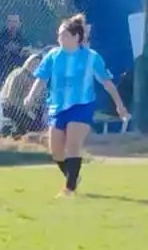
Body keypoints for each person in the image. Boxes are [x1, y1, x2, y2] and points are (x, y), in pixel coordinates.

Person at [25, 14, 130, 197]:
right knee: (56, 151)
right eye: (59, 36)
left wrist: (119, 106)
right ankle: (72, 176)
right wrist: (30, 96)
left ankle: (69, 189)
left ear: (76, 37)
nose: (60, 39)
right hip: (57, 107)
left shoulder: (91, 57)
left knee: (73, 144)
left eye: (64, 35)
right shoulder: (52, 56)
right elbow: (41, 79)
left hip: (82, 106)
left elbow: (107, 83)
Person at [0, 53, 45, 137]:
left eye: (38, 64)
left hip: (25, 109)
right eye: (34, 63)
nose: (35, 66)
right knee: (33, 125)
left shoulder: (34, 77)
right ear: (28, 63)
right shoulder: (19, 74)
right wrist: (28, 111)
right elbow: (11, 98)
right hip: (10, 107)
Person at [0, 14, 29, 82]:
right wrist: (6, 51)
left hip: (19, 73)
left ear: (19, 24)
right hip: (2, 73)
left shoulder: (23, 40)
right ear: (6, 23)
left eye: (15, 22)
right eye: (10, 21)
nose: (13, 24)